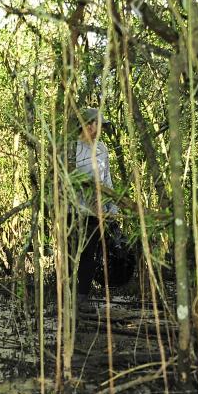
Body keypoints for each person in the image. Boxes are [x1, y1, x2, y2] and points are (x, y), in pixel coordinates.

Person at [69, 107, 120, 305]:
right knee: (72, 254)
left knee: (89, 254)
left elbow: (107, 180)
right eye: (99, 125)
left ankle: (82, 298)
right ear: (89, 125)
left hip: (95, 212)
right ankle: (67, 297)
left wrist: (112, 210)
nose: (101, 130)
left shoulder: (102, 149)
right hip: (72, 211)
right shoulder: (72, 148)